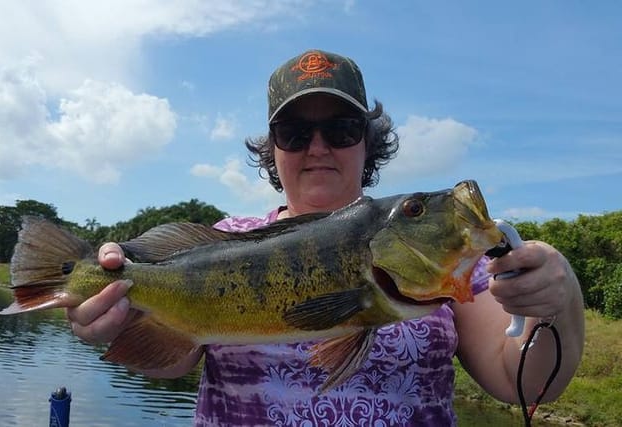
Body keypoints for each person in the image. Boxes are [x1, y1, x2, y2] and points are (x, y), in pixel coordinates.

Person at [66, 49, 585, 426]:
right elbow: (175, 355)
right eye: (294, 134)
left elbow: (524, 381)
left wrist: (557, 303)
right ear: (273, 151)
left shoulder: (457, 268)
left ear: (367, 143)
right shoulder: (224, 240)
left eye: (339, 129)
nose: (317, 147)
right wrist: (115, 317)